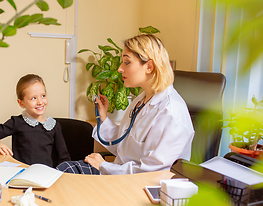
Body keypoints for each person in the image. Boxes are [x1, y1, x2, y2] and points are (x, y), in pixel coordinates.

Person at [56, 34, 194, 174]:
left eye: (127, 62)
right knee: (63, 170)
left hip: (138, 185)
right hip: (120, 174)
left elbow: (151, 171)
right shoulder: (141, 100)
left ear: (149, 66)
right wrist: (103, 117)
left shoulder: (170, 112)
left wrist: (104, 165)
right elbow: (124, 144)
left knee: (66, 172)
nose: (120, 68)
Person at [0, 74, 71, 167]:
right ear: (21, 103)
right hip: (21, 174)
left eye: (43, 96)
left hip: (45, 177)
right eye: (33, 98)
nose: (40, 102)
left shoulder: (53, 126)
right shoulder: (16, 122)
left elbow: (64, 158)